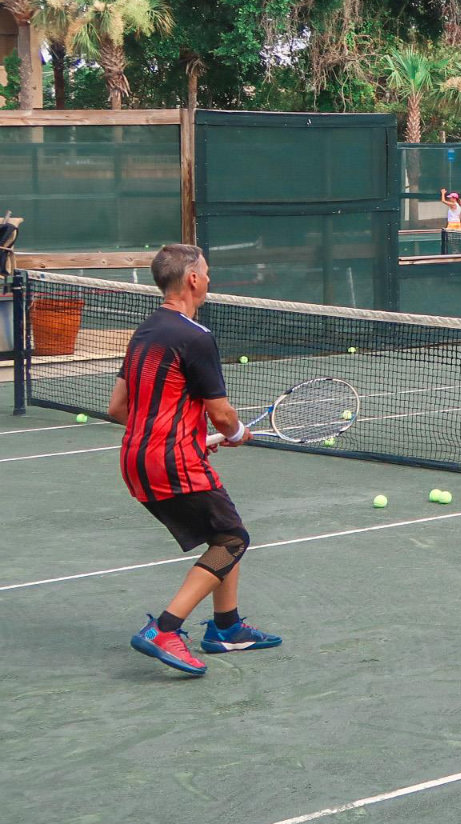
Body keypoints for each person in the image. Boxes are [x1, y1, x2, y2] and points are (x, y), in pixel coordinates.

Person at [108, 244, 280, 676]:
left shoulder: (145, 332)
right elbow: (221, 413)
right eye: (206, 272)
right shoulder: (195, 337)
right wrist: (236, 433)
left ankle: (227, 627)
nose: (209, 279)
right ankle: (165, 629)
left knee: (224, 530)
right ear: (192, 280)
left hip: (136, 457)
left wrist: (186, 437)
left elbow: (118, 408)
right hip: (170, 459)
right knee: (232, 542)